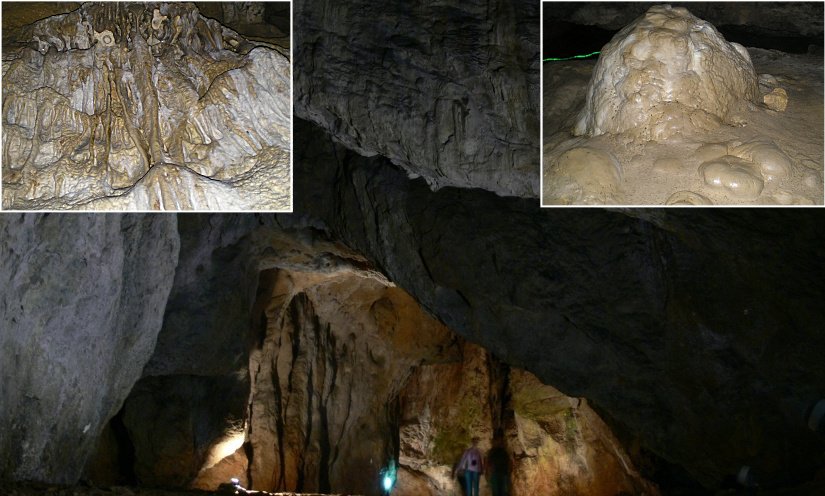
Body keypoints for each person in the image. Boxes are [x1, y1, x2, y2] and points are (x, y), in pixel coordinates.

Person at [486, 431, 510, 496]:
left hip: (502, 473)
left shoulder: (503, 451)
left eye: (500, 440)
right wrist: (488, 472)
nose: (499, 442)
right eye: (497, 441)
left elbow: (508, 462)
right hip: (496, 473)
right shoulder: (492, 451)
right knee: (497, 491)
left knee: (502, 490)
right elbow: (488, 462)